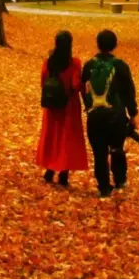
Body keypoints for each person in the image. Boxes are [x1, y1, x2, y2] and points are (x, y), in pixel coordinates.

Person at [82, 29, 139, 197]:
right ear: (115, 45)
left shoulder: (89, 65)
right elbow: (129, 91)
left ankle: (104, 187)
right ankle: (120, 180)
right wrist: (133, 113)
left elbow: (83, 90)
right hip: (115, 114)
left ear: (98, 44)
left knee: (99, 152)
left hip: (95, 115)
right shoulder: (120, 65)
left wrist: (89, 107)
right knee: (116, 148)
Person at [36, 30, 88, 186]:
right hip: (69, 106)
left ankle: (50, 169)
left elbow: (43, 81)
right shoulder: (74, 63)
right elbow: (75, 85)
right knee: (67, 138)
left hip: (52, 106)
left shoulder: (48, 63)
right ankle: (63, 173)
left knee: (52, 135)